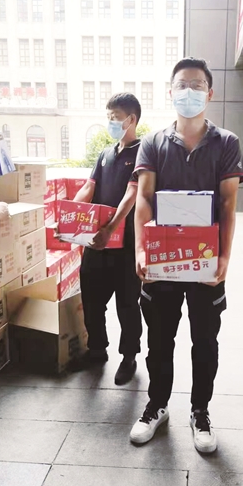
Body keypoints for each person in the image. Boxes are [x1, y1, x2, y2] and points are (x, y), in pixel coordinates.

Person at [130, 57, 243, 452]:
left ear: (210, 93)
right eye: (182, 85)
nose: (189, 92)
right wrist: (141, 250)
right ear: (170, 92)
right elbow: (144, 198)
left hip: (204, 262)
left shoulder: (226, 143)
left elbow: (228, 204)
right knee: (159, 340)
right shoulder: (153, 142)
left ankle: (200, 412)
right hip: (162, 262)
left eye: (197, 85)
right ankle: (157, 406)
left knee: (205, 342)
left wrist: (224, 259)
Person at [71, 93, 142, 385]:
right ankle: (97, 350)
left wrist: (110, 229)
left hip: (125, 245)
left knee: (127, 304)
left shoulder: (143, 152)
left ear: (131, 119)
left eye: (115, 117)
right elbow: (89, 187)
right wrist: (69, 214)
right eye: (109, 117)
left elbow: (132, 194)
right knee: (92, 299)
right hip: (95, 243)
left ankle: (129, 357)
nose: (110, 122)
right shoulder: (105, 153)